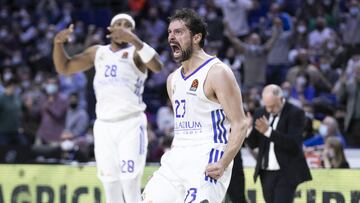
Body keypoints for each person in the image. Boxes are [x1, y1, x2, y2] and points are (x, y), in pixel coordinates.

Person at [53, 13, 163, 203]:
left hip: (130, 124)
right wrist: (58, 44)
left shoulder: (137, 52)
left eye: (127, 25)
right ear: (110, 31)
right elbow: (65, 67)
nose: (122, 27)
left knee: (130, 183)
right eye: (118, 24)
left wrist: (134, 41)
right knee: (110, 184)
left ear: (133, 31)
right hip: (104, 126)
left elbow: (157, 66)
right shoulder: (98, 52)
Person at [142, 8, 248, 203]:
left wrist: (224, 163)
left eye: (179, 32)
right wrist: (166, 172)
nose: (171, 37)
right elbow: (181, 128)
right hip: (177, 159)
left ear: (197, 37)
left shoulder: (218, 72)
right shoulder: (172, 80)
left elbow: (240, 123)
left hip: (208, 157)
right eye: (169, 32)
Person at [246, 84, 312, 203]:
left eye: (272, 106)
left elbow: (293, 144)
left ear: (281, 99)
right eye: (266, 106)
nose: (269, 110)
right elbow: (253, 143)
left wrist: (269, 131)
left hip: (286, 172)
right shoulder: (260, 112)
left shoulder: (296, 113)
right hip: (265, 172)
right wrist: (248, 129)